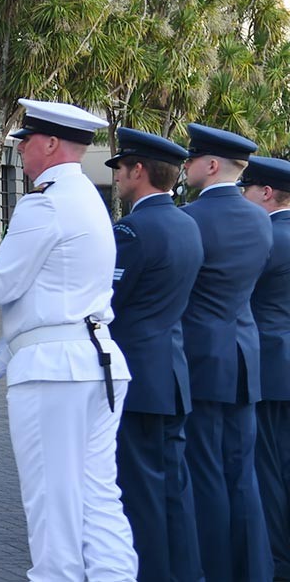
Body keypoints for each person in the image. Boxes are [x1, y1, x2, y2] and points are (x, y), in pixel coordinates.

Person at [0, 99, 136, 581]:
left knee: (52, 502)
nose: (22, 149)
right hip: (94, 364)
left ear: (51, 144)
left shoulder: (46, 201)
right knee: (97, 501)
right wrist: (0, 359)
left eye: (27, 140)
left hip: (56, 374)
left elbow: (1, 285)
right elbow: (52, 299)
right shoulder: (87, 199)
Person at [105, 128, 204, 581]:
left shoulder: (132, 229)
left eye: (121, 169)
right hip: (173, 375)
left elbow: (108, 303)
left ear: (139, 171)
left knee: (140, 494)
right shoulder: (187, 223)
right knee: (175, 493)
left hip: (138, 381)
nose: (119, 178)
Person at [180, 123, 274, 582]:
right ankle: (253, 569)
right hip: (244, 356)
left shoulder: (191, 219)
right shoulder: (260, 219)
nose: (187, 165)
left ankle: (213, 569)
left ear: (212, 165)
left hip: (201, 358)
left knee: (206, 471)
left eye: (193, 158)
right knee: (242, 472)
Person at [238, 156, 290, 580]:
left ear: (267, 193)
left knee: (269, 473)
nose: (244, 198)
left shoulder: (269, 239)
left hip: (272, 371)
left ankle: (277, 562)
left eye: (248, 190)